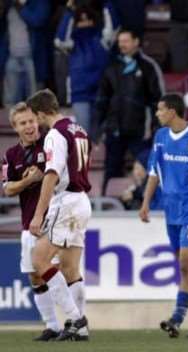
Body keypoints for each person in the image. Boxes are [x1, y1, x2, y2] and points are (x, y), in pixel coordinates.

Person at [139, 94, 188, 338]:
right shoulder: (161, 138)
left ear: (172, 111)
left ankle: (177, 316)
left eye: (160, 110)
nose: (158, 114)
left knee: (185, 262)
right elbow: (154, 171)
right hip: (171, 211)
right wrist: (145, 203)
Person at [27, 89, 91, 341]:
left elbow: (53, 173)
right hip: (82, 201)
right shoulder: (79, 129)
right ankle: (81, 329)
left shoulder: (55, 134)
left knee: (39, 259)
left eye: (36, 117)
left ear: (42, 113)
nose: (37, 122)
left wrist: (38, 213)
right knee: (69, 268)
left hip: (66, 200)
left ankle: (76, 318)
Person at [2, 102, 60, 341]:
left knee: (62, 271)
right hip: (29, 223)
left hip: (54, 218)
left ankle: (77, 321)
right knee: (34, 275)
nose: (29, 126)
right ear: (15, 127)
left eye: (31, 121)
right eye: (23, 123)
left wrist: (42, 176)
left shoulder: (50, 143)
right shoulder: (11, 155)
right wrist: (27, 182)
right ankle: (52, 326)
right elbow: (7, 190)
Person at [93, 29, 165, 195]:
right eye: (120, 41)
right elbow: (102, 100)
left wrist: (156, 129)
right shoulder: (111, 67)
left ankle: (145, 202)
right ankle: (108, 206)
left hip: (141, 132)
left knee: (147, 169)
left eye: (125, 41)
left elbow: (158, 102)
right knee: (111, 171)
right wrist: (97, 129)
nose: (122, 45)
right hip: (115, 130)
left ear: (136, 42)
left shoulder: (148, 66)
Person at [54, 0, 119, 136]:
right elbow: (60, 40)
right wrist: (70, 11)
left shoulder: (103, 39)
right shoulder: (72, 44)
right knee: (82, 136)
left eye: (88, 19)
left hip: (102, 92)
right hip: (80, 93)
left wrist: (107, 4)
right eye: (81, 20)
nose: (85, 23)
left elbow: (113, 27)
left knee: (101, 136)